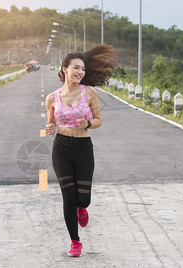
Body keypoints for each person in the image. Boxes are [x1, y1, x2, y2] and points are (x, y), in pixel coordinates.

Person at [45, 44, 116, 257]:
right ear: (64, 69)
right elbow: (51, 124)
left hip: (83, 148)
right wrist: (49, 128)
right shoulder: (51, 98)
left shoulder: (90, 93)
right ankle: (75, 242)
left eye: (83, 69)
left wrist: (87, 123)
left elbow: (98, 121)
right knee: (68, 195)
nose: (80, 72)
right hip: (62, 148)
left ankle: (82, 208)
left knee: (82, 198)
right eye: (76, 67)